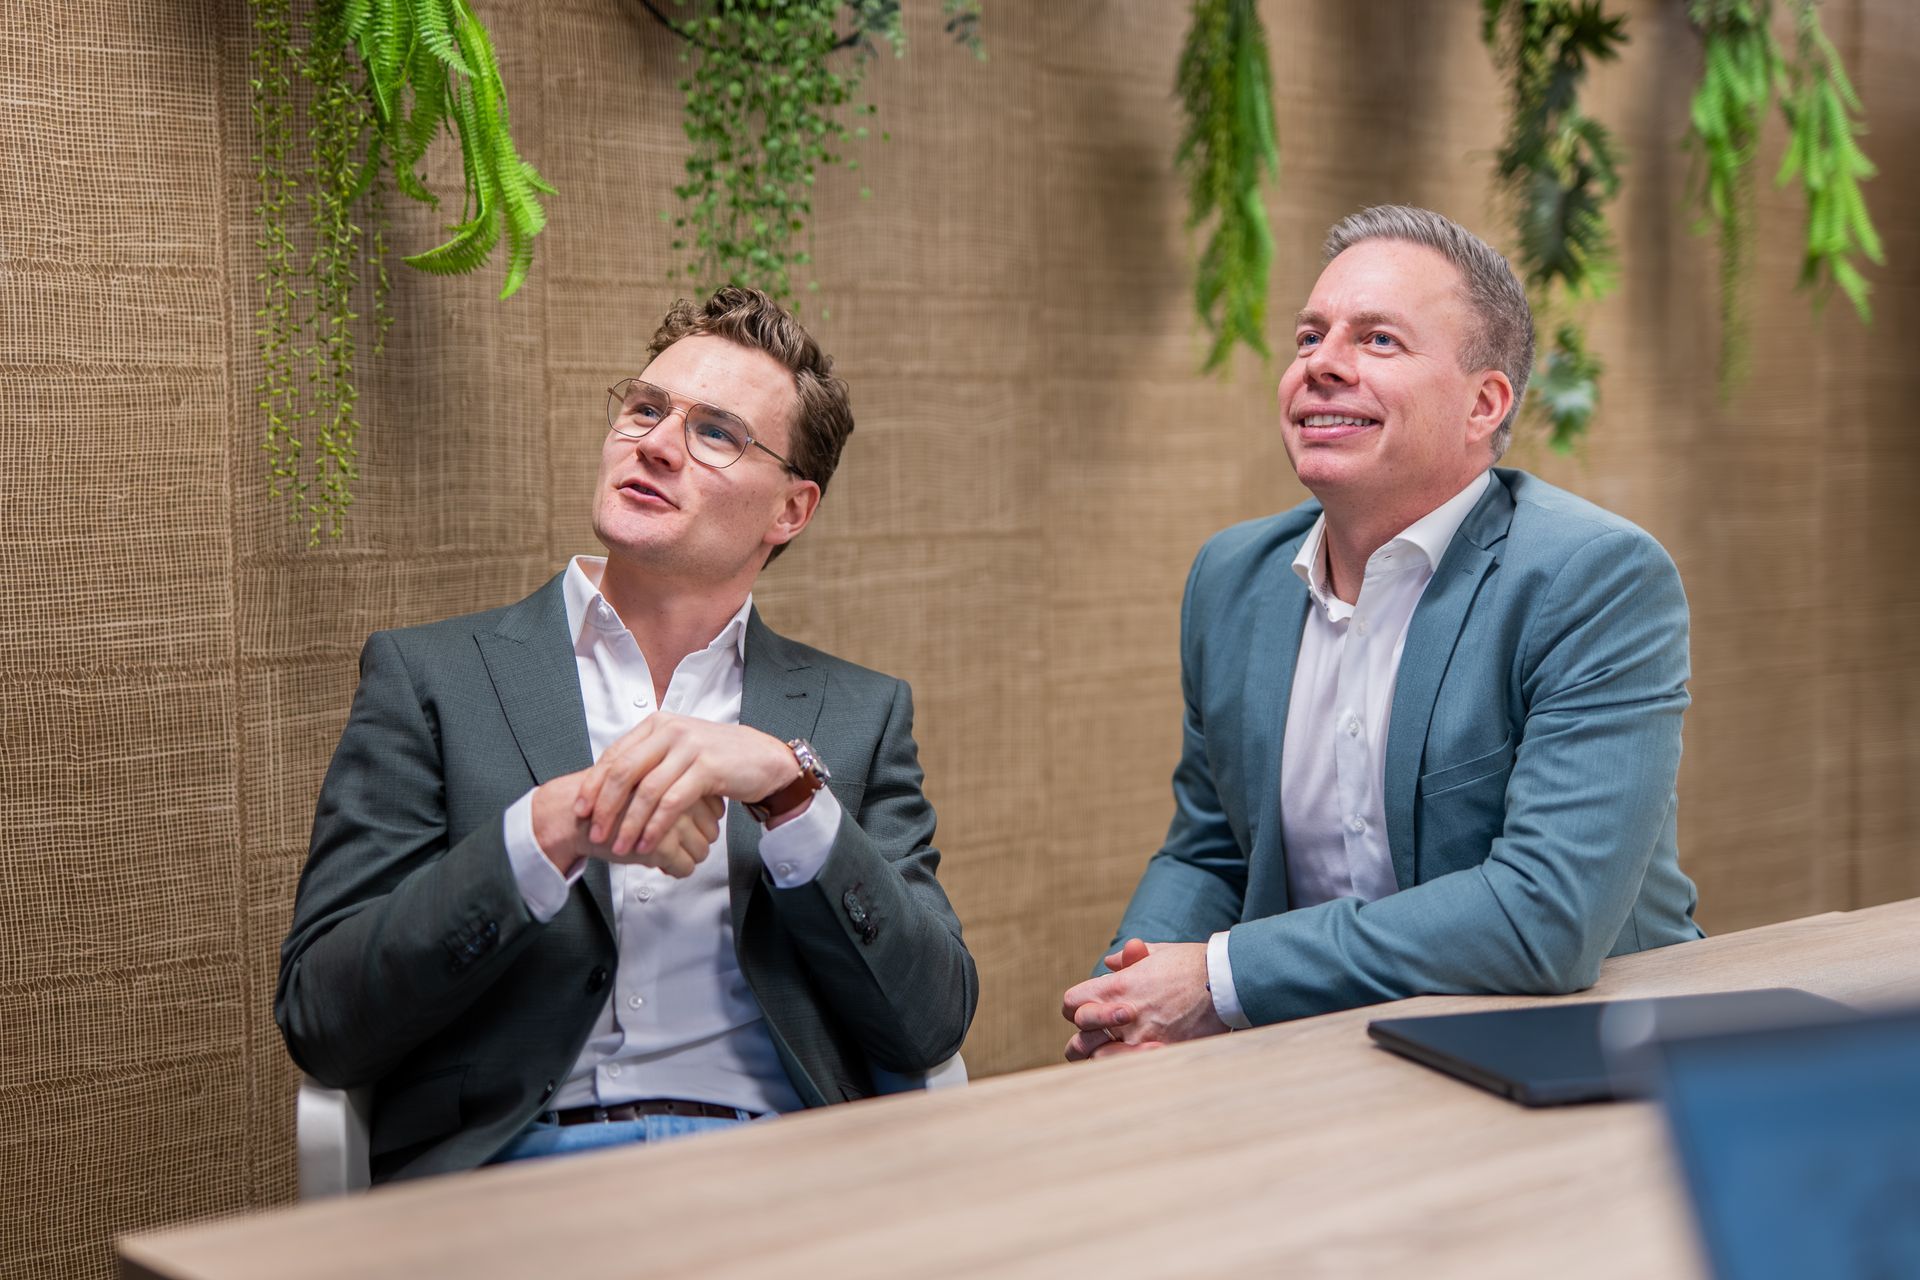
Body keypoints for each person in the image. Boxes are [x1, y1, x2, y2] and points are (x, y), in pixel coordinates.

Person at [277, 286, 977, 1181]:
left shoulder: (859, 713)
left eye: (716, 432)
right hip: (520, 1175)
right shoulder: (433, 680)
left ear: (790, 511)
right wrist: (555, 825)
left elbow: (931, 1021)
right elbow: (324, 1020)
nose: (654, 443)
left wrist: (789, 792)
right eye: (646, 409)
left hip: (779, 1175)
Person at [1064, 205, 1700, 1060]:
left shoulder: (1592, 578)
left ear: (1484, 404)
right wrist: (1127, 998)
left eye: (1378, 341)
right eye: (1308, 336)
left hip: (1580, 1060)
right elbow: (1214, 850)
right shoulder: (1231, 579)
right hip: (1324, 1062)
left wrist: (1218, 979)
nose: (1321, 364)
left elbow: (1541, 917)